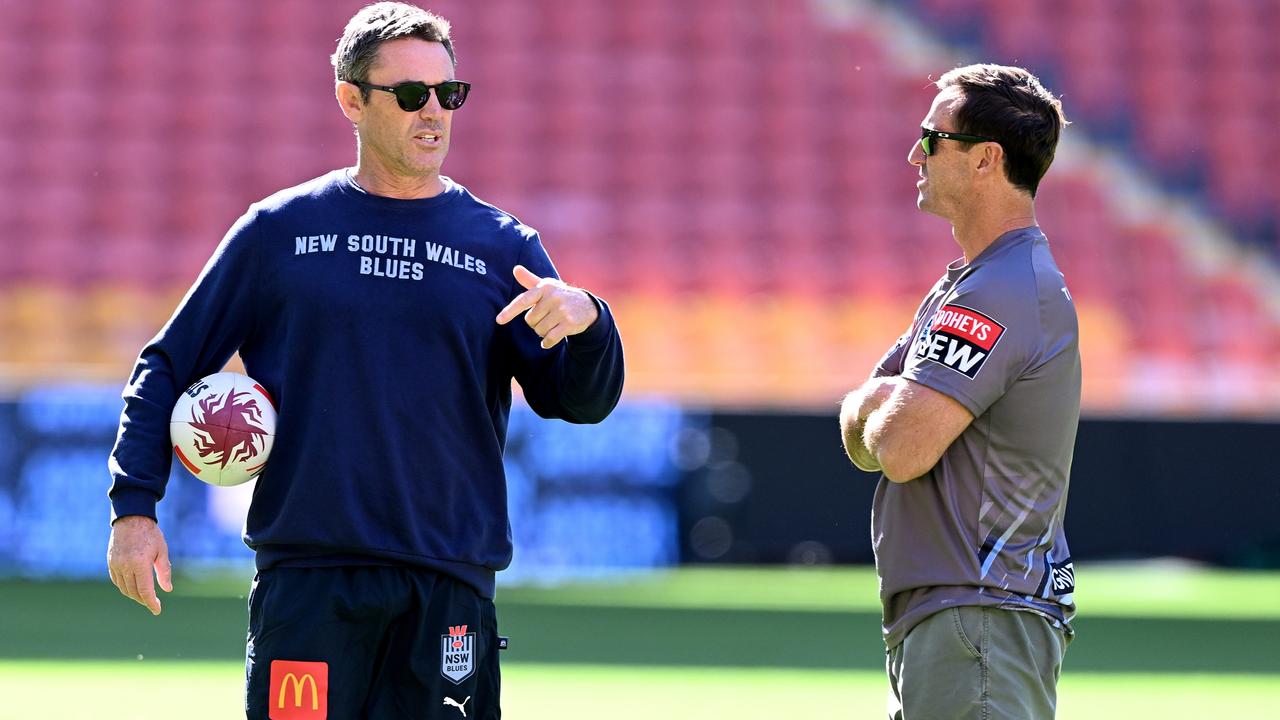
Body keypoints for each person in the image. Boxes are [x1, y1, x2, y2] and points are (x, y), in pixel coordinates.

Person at [106, 3, 624, 718]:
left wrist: (591, 323)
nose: (434, 111)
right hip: (309, 583)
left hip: (447, 585)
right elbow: (166, 364)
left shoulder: (504, 248)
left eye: (450, 93)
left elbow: (579, 401)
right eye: (411, 95)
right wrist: (134, 508)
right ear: (351, 99)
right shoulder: (278, 232)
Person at [839, 64, 1077, 720]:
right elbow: (868, 431)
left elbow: (899, 447)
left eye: (933, 137)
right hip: (966, 620)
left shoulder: (998, 291)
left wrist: (873, 404)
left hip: (980, 623)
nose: (914, 153)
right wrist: (876, 407)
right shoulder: (969, 285)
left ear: (985, 161)